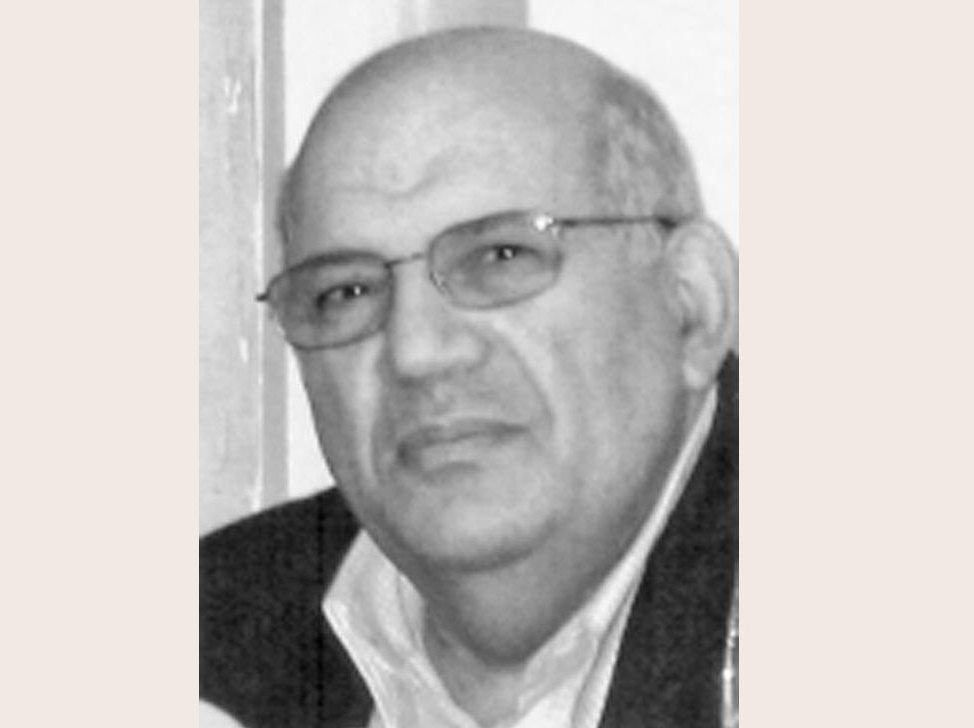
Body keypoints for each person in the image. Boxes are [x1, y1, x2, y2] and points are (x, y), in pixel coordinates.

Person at [201, 26, 738, 728]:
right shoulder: (206, 641)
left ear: (691, 305)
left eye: (501, 256)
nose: (417, 352)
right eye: (345, 292)